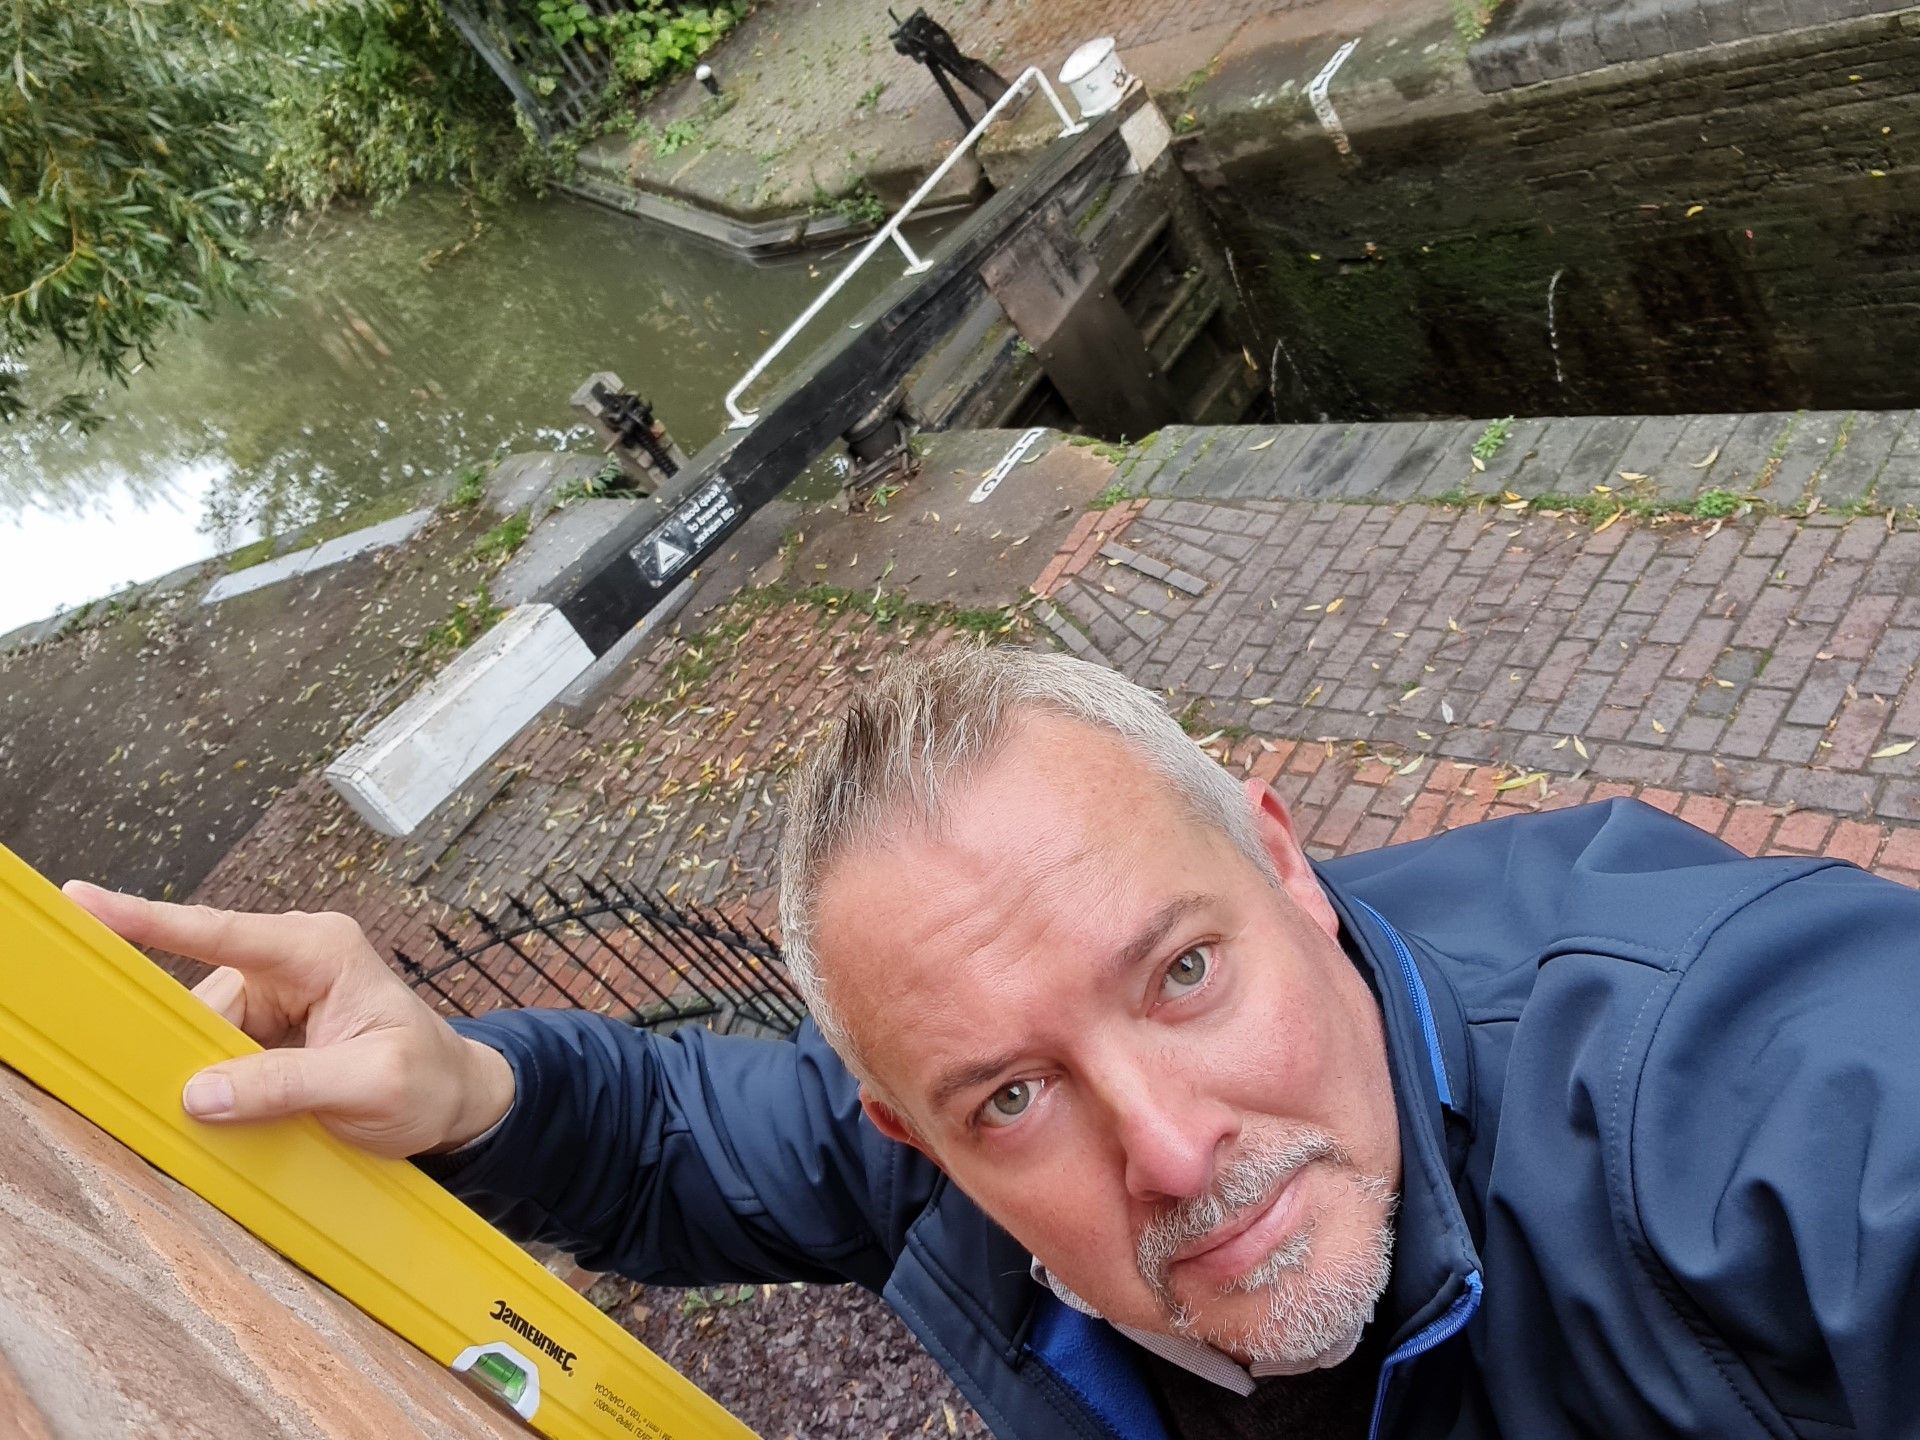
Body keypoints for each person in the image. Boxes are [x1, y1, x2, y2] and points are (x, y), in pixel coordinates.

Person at [67, 647, 1920, 1440]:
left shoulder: (1747, 1094)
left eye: (1183, 974)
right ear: (916, 1135)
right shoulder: (930, 1176)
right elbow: (676, 1131)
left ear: (1284, 865)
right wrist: (472, 1092)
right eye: (1011, 1097)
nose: (1172, 1153)